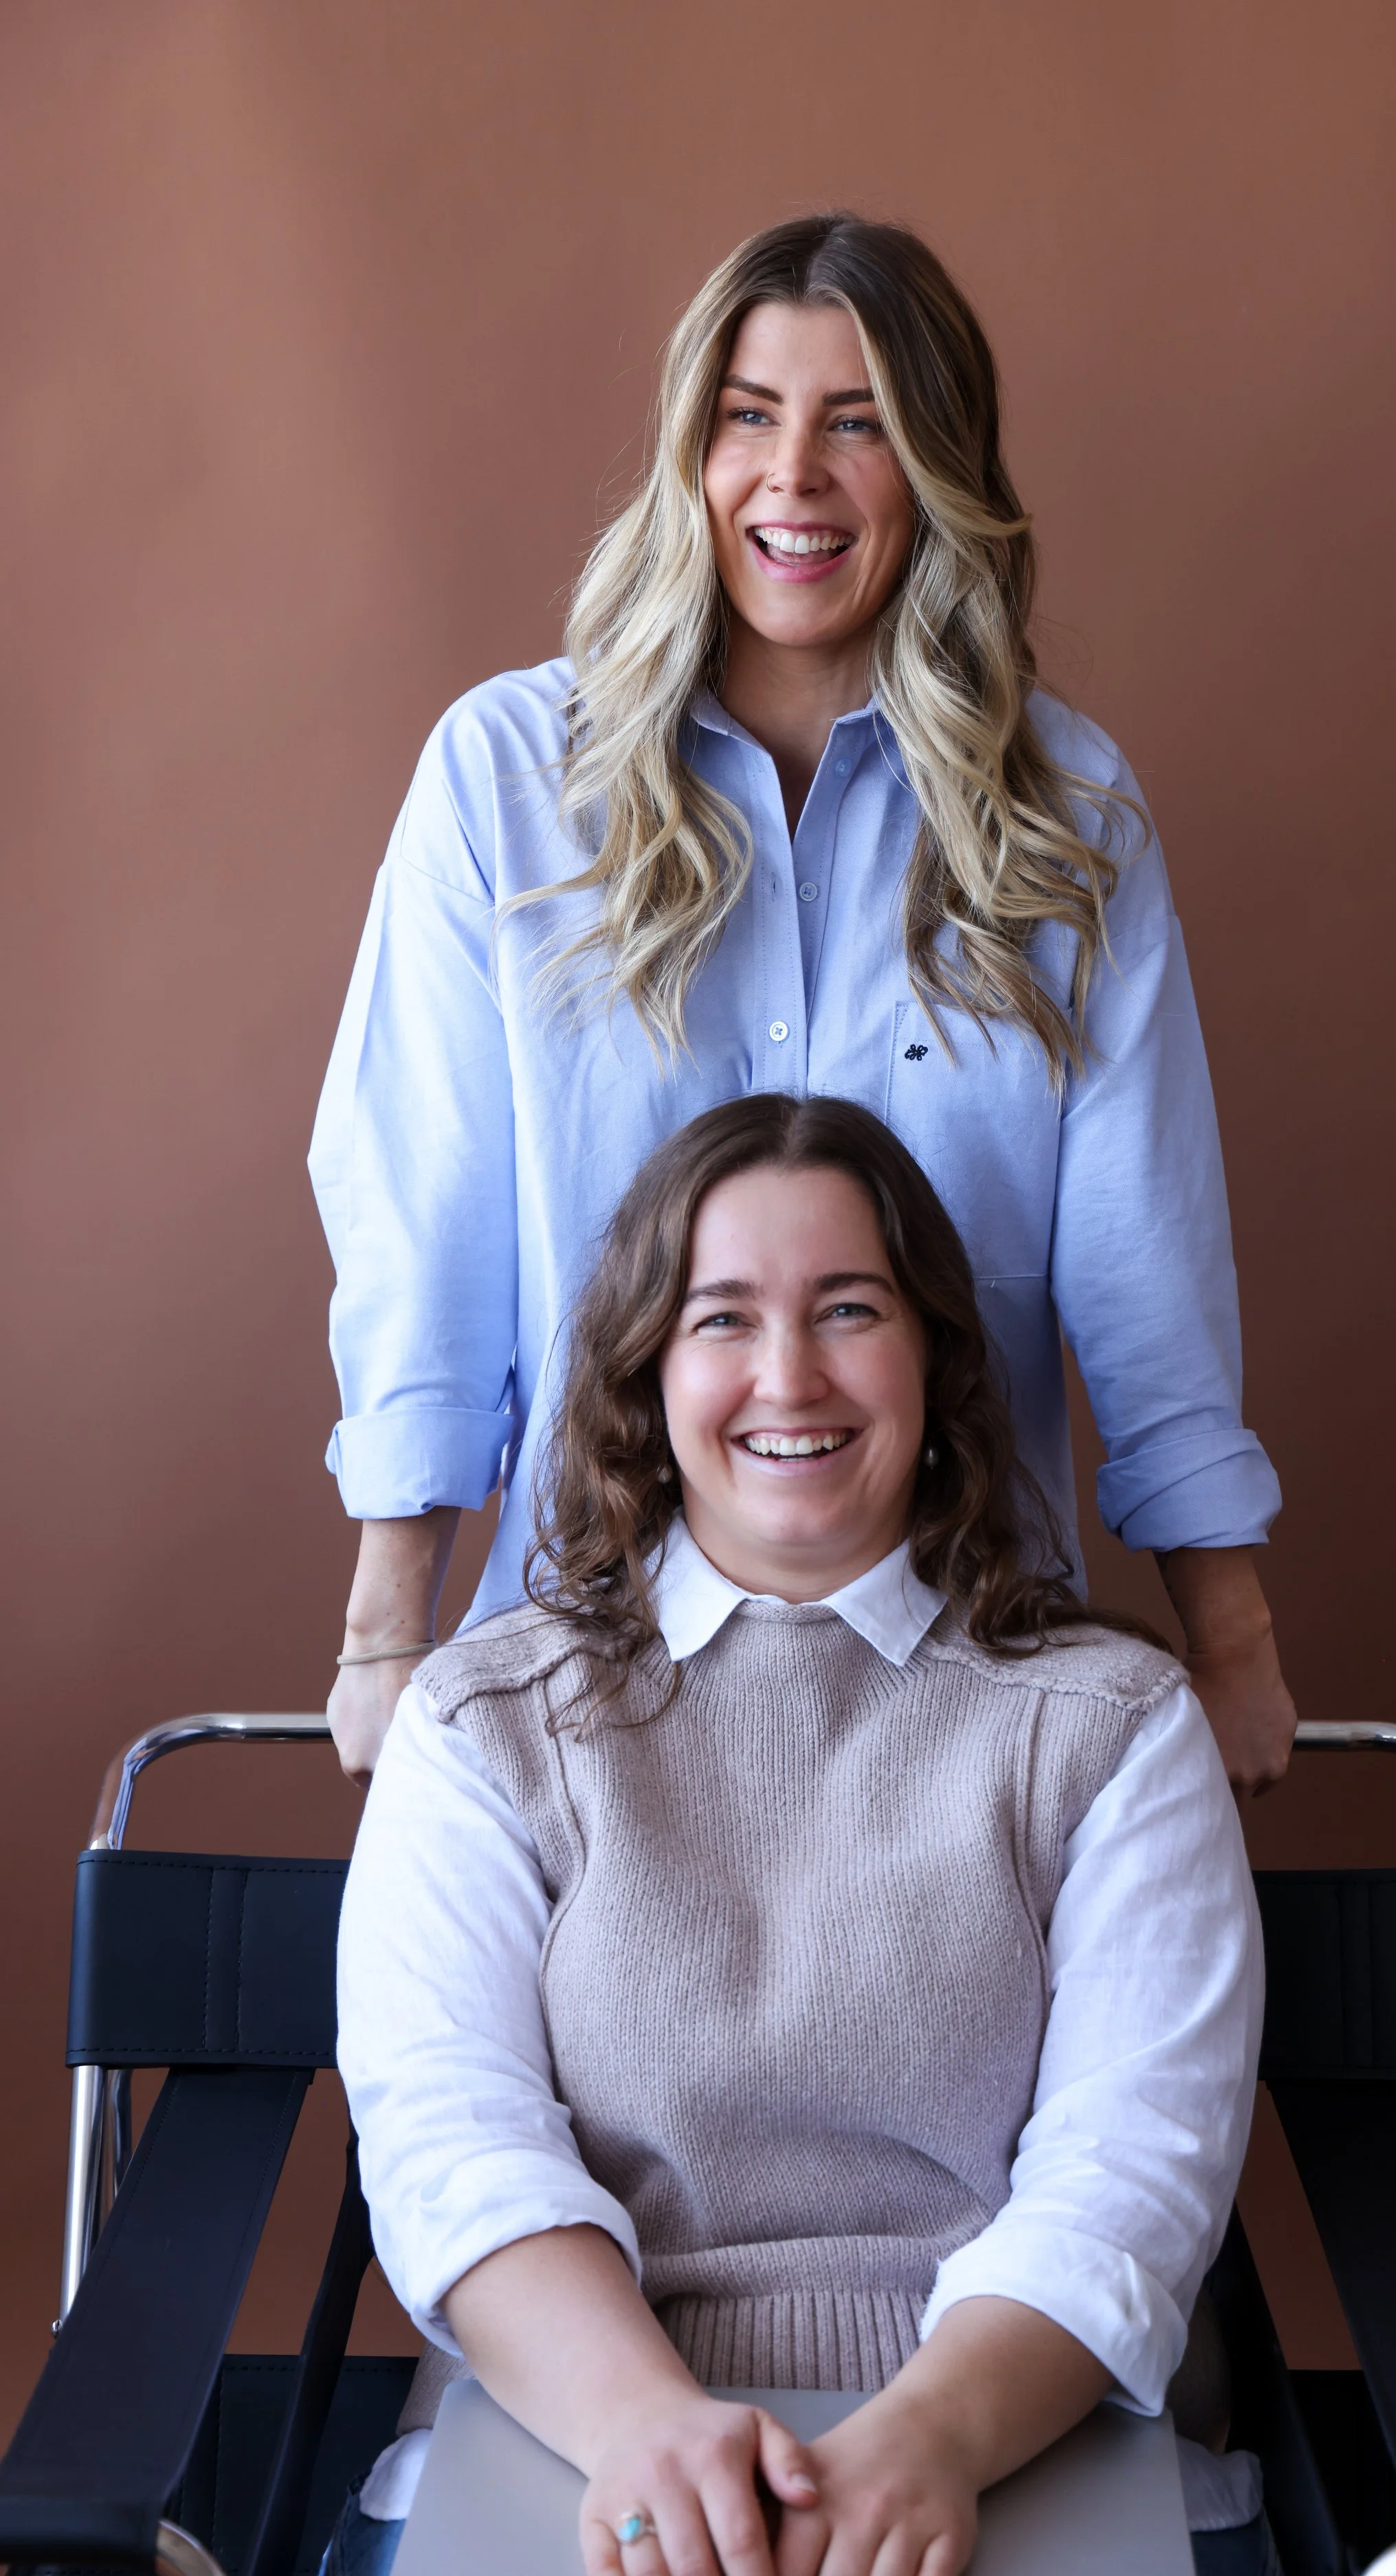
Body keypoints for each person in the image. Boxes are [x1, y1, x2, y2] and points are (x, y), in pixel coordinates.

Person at [311, 210, 1294, 1795]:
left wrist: (1230, 1642)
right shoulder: (505, 786)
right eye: (748, 417)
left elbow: (1142, 1251)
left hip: (971, 1684)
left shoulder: (1067, 809)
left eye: (860, 425)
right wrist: (385, 1629)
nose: (795, 477)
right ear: (686, 454)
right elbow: (426, 1216)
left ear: (938, 469)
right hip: (589, 1676)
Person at [327, 1094, 1265, 2576]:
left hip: (1013, 2428)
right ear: (645, 1365)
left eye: (847, 1307)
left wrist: (933, 2435)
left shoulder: (1115, 1726)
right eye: (721, 1317)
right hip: (577, 2427)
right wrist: (643, 2419)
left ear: (936, 1353)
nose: (787, 1374)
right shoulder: (479, 1724)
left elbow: (1131, 2163)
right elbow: (456, 2143)